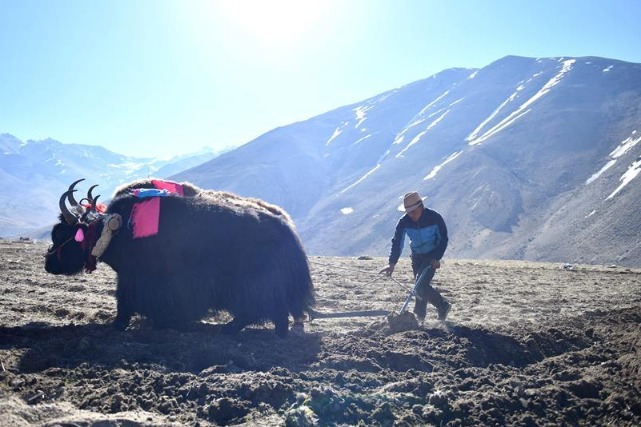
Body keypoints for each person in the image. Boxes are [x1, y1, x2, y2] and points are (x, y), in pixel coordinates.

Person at [380, 191, 450, 321]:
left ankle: (439, 307)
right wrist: (392, 263)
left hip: (431, 255)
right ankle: (422, 318)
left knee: (420, 284)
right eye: (408, 212)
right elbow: (397, 243)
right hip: (417, 257)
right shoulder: (404, 222)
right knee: (420, 287)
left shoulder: (435, 218)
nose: (411, 215)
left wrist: (437, 258)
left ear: (421, 206)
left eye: (413, 211)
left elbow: (443, 239)